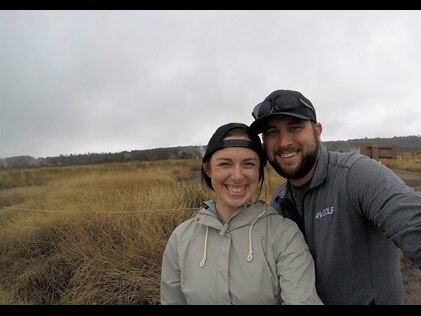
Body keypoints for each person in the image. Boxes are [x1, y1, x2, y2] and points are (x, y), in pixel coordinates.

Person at [249, 89, 421, 305]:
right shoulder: (279, 201)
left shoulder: (356, 175)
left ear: (317, 131)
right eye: (272, 132)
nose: (283, 142)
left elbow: (412, 221)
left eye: (294, 127)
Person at [160, 122, 323, 305]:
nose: (237, 176)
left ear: (259, 171)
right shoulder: (181, 239)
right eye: (225, 164)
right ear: (208, 168)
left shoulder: (283, 235)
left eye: (248, 164)